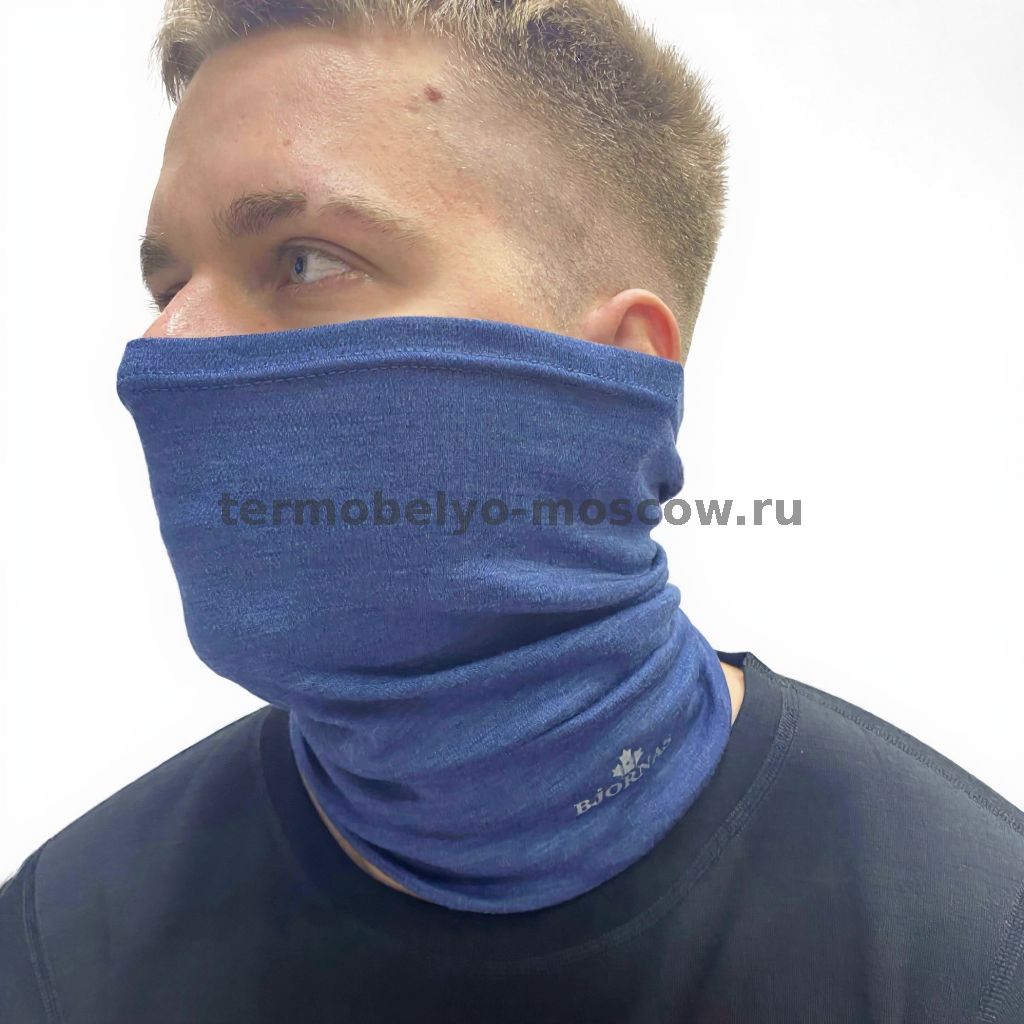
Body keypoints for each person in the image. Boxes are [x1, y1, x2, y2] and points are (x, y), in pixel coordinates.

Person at [1, 2, 1021, 1021]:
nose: (165, 351)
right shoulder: (60, 955)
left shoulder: (972, 953)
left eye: (305, 260)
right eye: (169, 286)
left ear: (611, 373)